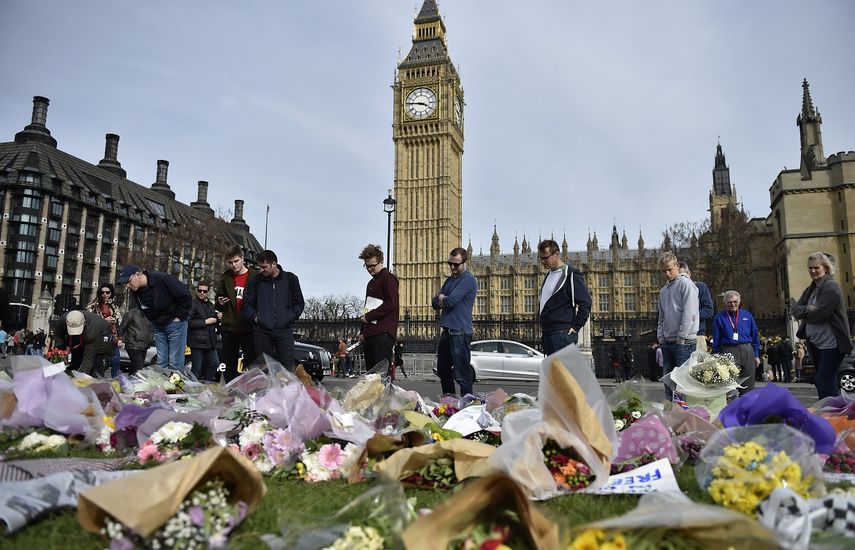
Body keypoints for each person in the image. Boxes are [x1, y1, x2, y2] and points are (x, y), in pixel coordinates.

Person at [790, 252, 853, 399]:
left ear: (825, 268)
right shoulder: (811, 288)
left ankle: (828, 414)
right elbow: (795, 310)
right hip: (816, 343)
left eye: (816, 267)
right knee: (826, 381)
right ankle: (834, 415)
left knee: (823, 379)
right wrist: (809, 309)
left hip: (832, 344)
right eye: (810, 268)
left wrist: (808, 310)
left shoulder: (831, 287)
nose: (812, 271)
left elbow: (820, 314)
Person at [117, 265, 192, 371]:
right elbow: (143, 308)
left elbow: (186, 295)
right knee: (161, 362)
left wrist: (180, 316)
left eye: (128, 281)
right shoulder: (136, 291)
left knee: (175, 362)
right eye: (125, 284)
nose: (127, 286)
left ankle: (176, 386)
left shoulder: (162, 279)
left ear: (138, 275)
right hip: (158, 326)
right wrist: (153, 321)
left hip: (175, 324)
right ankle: (163, 387)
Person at [243, 250, 304, 370]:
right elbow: (247, 305)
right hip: (262, 331)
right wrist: (256, 318)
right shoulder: (255, 281)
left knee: (287, 367)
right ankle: (266, 390)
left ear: (274, 264)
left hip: (284, 330)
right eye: (259, 267)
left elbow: (299, 303)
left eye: (264, 267)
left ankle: (285, 389)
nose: (261, 270)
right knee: (263, 368)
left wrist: (290, 317)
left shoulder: (290, 279)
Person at [433, 247, 478, 396]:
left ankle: (467, 409)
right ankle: (450, 404)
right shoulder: (450, 280)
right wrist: (441, 300)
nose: (452, 267)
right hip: (446, 331)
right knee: (443, 372)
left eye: (456, 264)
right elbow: (434, 303)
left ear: (465, 262)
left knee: (462, 375)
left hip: (460, 332)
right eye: (450, 263)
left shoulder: (468, 279)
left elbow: (451, 301)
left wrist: (443, 299)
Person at [657, 251, 699, 401]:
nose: (667, 273)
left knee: (683, 387)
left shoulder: (685, 284)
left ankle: (685, 419)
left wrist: (681, 337)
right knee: (668, 386)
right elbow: (661, 317)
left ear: (676, 266)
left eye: (670, 269)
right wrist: (661, 337)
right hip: (667, 342)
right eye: (663, 271)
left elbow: (690, 313)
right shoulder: (663, 291)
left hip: (684, 342)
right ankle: (671, 417)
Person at [537, 239, 592, 355]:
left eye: (545, 258)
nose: (542, 262)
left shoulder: (571, 274)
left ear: (556, 253)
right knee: (554, 373)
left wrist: (576, 327)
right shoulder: (548, 275)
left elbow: (585, 302)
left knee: (563, 372)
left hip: (562, 333)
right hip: (548, 333)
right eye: (540, 258)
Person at [215, 246, 258, 382]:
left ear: (243, 259)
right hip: (229, 327)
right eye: (231, 262)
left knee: (252, 362)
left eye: (236, 261)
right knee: (229, 364)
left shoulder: (255, 276)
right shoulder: (226, 277)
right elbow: (218, 302)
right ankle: (230, 394)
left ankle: (252, 392)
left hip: (248, 326)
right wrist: (219, 302)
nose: (234, 265)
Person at [358, 244, 399, 374]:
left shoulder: (388, 278)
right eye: (366, 266)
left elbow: (391, 303)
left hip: (383, 334)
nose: (369, 269)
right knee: (370, 377)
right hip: (370, 334)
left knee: (380, 377)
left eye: (372, 266)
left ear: (381, 261)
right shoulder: (371, 283)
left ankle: (385, 395)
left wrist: (369, 317)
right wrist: (362, 331)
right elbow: (367, 308)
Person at [712, 290, 761, 395]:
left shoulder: (747, 315)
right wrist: (716, 355)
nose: (733, 304)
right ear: (725, 303)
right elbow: (716, 339)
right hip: (728, 351)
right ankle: (732, 409)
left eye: (735, 301)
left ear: (739, 301)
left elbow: (755, 335)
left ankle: (747, 409)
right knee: (729, 386)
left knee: (748, 385)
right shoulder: (719, 317)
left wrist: (756, 355)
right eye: (729, 302)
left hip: (747, 350)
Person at [53, 310, 113, 376]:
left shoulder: (93, 331)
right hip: (85, 336)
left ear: (84, 323)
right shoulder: (62, 320)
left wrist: (81, 377)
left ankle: (98, 382)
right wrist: (61, 348)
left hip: (101, 337)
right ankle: (72, 374)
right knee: (75, 358)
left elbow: (88, 358)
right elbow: (57, 334)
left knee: (96, 363)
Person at [87, 283, 123, 377]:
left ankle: (115, 385)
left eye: (107, 292)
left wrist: (120, 338)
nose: (105, 294)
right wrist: (104, 320)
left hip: (113, 337)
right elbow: (88, 319)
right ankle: (97, 385)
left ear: (111, 293)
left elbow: (119, 323)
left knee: (116, 362)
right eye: (102, 292)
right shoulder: (94, 305)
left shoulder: (114, 306)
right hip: (99, 338)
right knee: (98, 364)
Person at [188, 281, 222, 382]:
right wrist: (205, 322)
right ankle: (193, 390)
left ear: (208, 292)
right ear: (197, 290)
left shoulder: (211, 305)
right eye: (200, 290)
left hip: (210, 342)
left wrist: (218, 319)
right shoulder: (193, 304)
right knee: (197, 369)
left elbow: (215, 323)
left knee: (215, 363)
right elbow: (189, 322)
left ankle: (205, 385)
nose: (202, 293)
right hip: (197, 342)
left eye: (204, 291)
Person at [678, 262, 714, 352]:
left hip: (697, 335)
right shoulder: (672, 291)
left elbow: (709, 310)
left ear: (689, 274)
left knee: (698, 365)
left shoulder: (700, 287)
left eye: (683, 276)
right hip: (677, 337)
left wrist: (690, 316)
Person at [119, 305, 153, 375]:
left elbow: (151, 329)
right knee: (138, 366)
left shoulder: (149, 314)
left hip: (145, 345)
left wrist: (151, 339)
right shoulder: (131, 313)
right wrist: (120, 338)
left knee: (135, 366)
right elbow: (122, 327)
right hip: (133, 344)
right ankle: (135, 383)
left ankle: (129, 383)